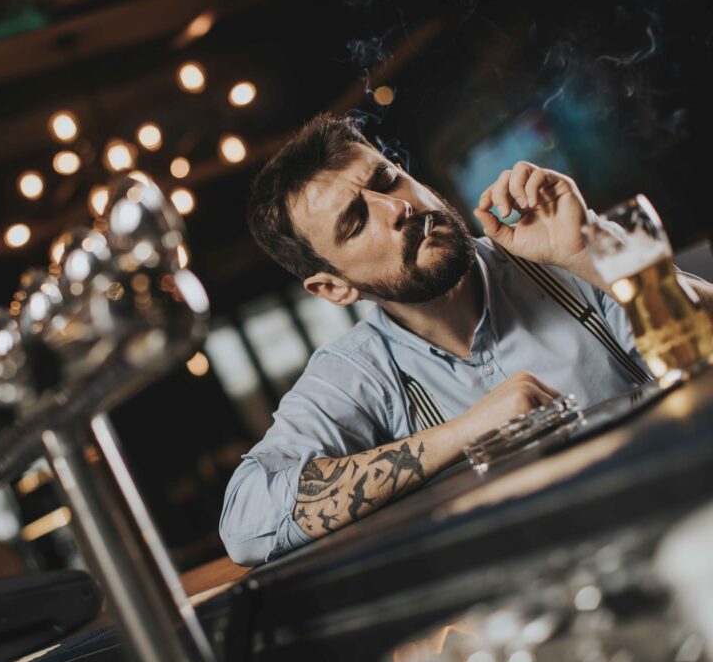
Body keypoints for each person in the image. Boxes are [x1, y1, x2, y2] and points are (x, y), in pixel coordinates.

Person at [219, 112, 713, 566]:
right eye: (356, 221)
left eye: (388, 179)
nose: (397, 208)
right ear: (334, 287)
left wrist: (589, 252)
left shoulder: (563, 247)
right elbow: (246, 522)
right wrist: (465, 431)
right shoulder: (356, 373)